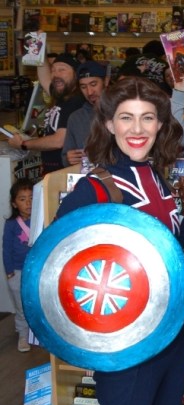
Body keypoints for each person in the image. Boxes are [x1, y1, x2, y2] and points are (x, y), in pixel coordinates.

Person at [57, 75, 184, 405]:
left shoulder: (159, 178)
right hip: (125, 343)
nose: (137, 129)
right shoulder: (94, 189)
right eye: (126, 118)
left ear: (160, 125)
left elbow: (165, 253)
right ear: (109, 124)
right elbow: (57, 267)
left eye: (147, 118)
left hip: (172, 332)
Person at [8, 52, 85, 173]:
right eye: (53, 70)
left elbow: (58, 141)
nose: (56, 74)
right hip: (56, 171)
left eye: (62, 70)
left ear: (76, 74)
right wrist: (40, 49)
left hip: (65, 173)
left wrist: (23, 144)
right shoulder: (62, 95)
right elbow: (44, 77)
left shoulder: (75, 101)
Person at [3, 179, 33, 353]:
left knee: (33, 304)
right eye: (22, 199)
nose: (28, 203)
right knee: (21, 306)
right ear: (14, 204)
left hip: (34, 270)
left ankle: (34, 333)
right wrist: (9, 272)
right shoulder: (12, 224)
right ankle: (23, 334)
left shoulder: (40, 219)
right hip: (17, 271)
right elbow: (6, 248)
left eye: (31, 198)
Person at [62, 61, 108, 167]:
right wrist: (68, 159)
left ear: (106, 81)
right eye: (83, 87)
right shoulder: (75, 118)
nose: (89, 92)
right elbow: (66, 157)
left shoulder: (120, 112)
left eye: (93, 84)